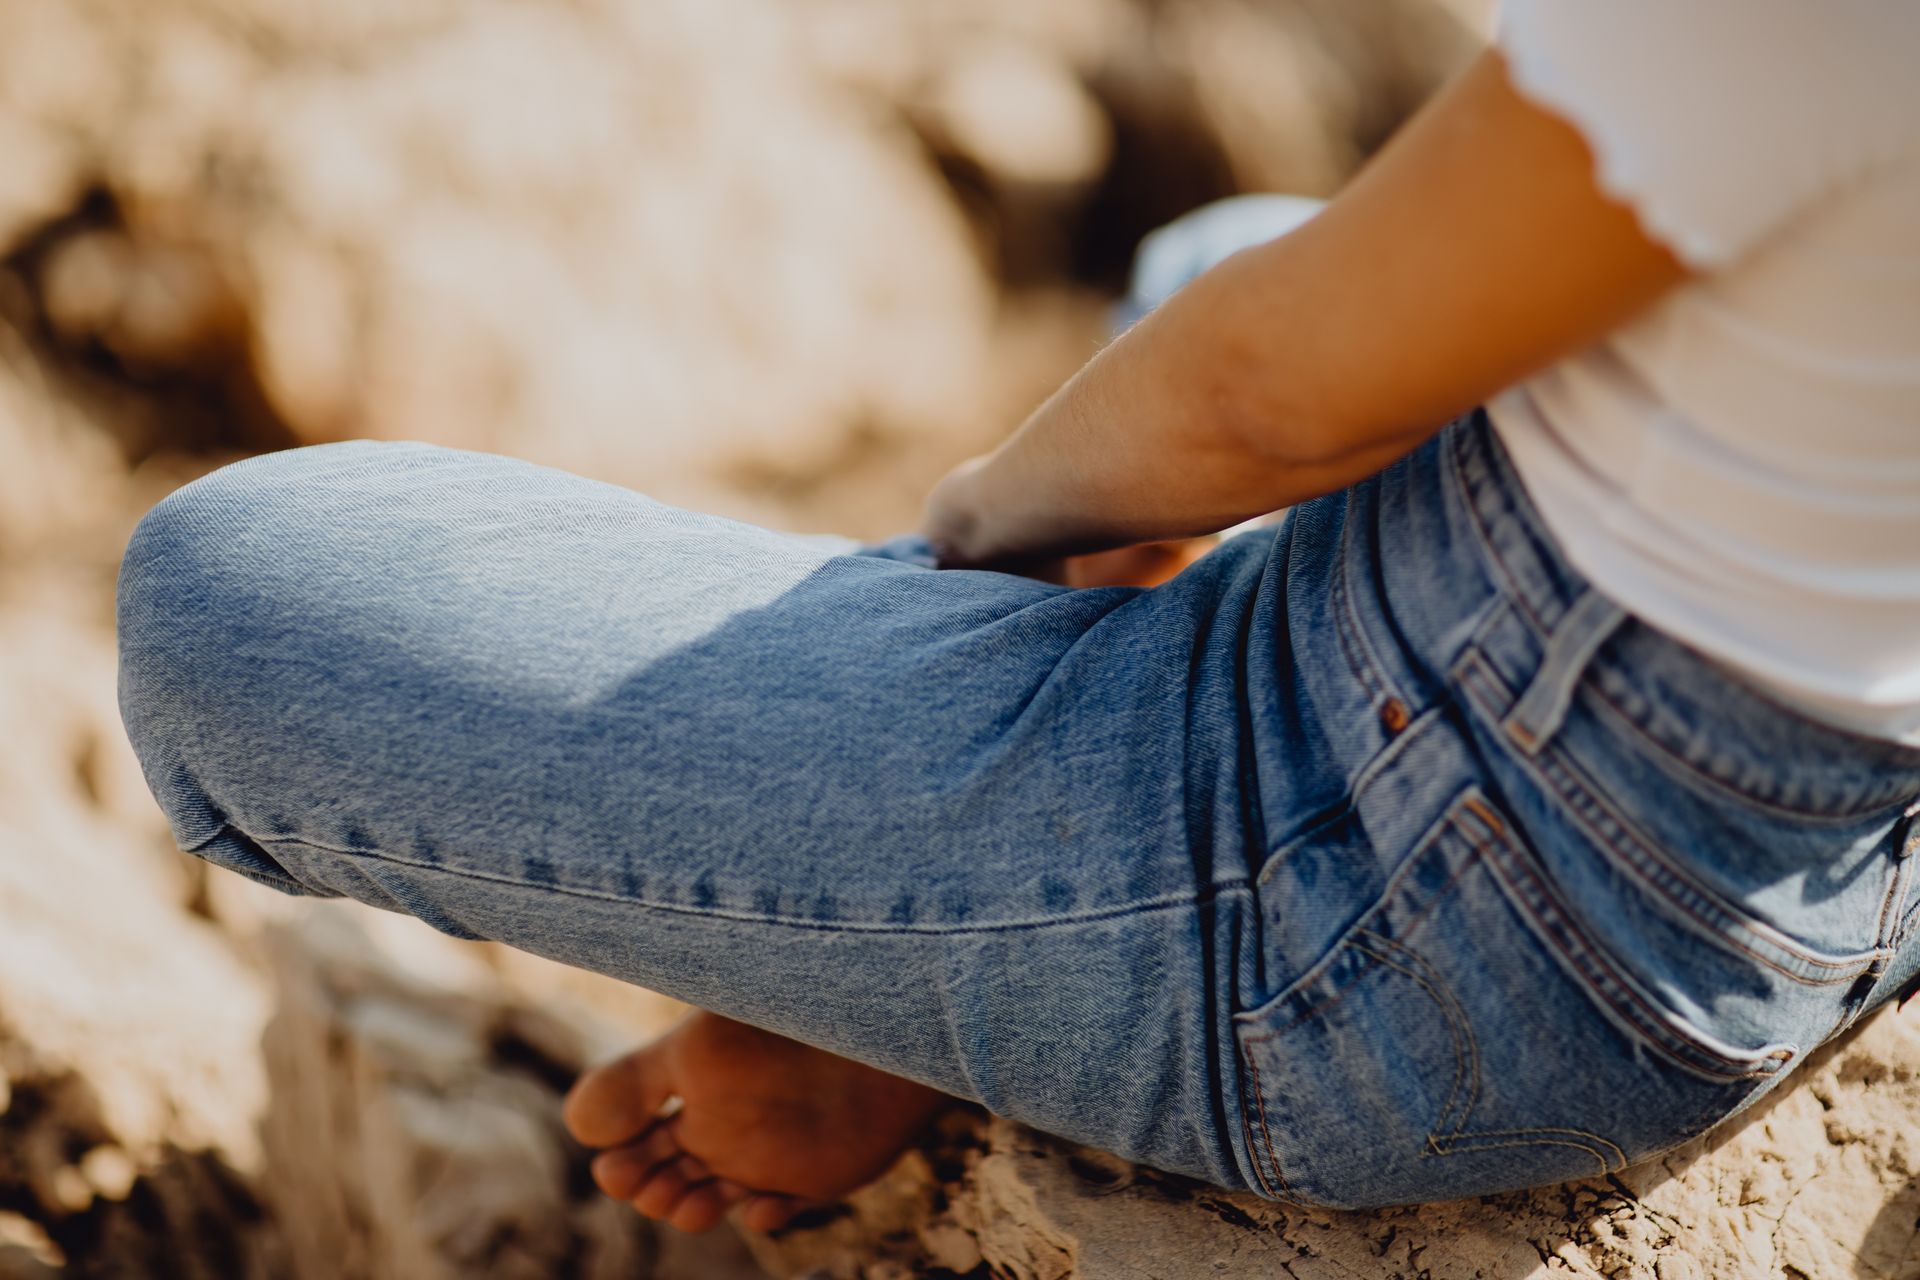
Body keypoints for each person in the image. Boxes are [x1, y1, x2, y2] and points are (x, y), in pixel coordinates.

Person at [115, 0, 1920, 1236]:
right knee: (1231, 239)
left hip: (1406, 910)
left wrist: (964, 553)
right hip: (1799, 802)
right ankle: (907, 923)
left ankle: (918, 950)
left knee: (232, 600)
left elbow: (1268, 397)